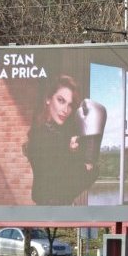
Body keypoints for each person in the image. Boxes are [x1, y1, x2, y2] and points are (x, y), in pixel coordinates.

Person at [23, 75, 99, 205]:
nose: (65, 110)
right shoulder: (42, 136)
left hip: (57, 210)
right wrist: (89, 167)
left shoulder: (56, 134)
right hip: (49, 211)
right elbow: (68, 186)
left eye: (70, 105)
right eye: (61, 100)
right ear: (48, 99)